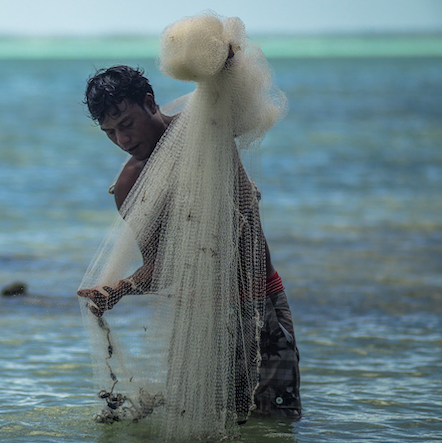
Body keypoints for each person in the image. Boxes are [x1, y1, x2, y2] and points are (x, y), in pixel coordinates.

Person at [77, 64, 301, 419]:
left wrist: (226, 63)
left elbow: (236, 97)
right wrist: (121, 288)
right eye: (109, 132)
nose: (122, 140)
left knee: (274, 426)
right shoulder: (131, 186)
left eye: (126, 124)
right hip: (198, 324)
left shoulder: (206, 125)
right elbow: (160, 268)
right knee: (203, 431)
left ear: (150, 103)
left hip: (260, 306)